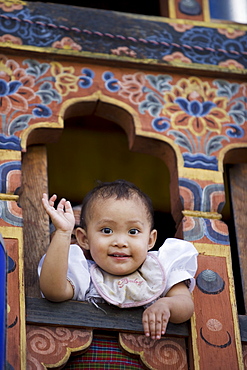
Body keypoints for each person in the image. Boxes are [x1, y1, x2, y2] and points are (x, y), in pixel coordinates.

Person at [38, 179, 198, 340]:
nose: (120, 242)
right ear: (84, 238)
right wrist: (63, 233)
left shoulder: (160, 268)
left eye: (133, 231)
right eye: (107, 230)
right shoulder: (84, 274)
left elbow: (186, 304)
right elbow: (53, 292)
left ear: (150, 240)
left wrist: (167, 305)